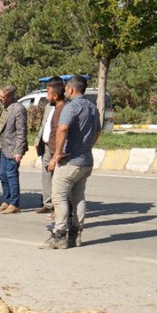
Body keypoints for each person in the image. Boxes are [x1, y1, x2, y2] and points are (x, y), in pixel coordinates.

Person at [41, 75, 100, 249]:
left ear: (71, 90)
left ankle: (59, 235)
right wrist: (87, 146)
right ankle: (76, 234)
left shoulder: (71, 107)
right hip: (86, 160)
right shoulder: (92, 107)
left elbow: (63, 128)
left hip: (70, 161)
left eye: (66, 89)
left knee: (59, 197)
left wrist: (57, 154)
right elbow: (97, 131)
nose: (65, 92)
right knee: (78, 198)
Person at [35, 77, 66, 214]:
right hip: (46, 146)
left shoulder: (66, 107)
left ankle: (59, 207)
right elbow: (44, 124)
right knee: (46, 175)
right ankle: (48, 204)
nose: (46, 97)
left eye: (48, 93)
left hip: (59, 147)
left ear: (56, 93)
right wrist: (38, 138)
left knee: (59, 178)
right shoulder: (49, 107)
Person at [0, 86, 27, 214]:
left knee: (11, 175)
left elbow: (21, 132)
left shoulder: (18, 109)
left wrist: (18, 151)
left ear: (10, 97)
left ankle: (14, 204)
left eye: (2, 97)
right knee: (2, 175)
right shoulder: (5, 107)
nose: (0, 99)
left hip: (14, 148)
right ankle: (6, 201)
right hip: (4, 146)